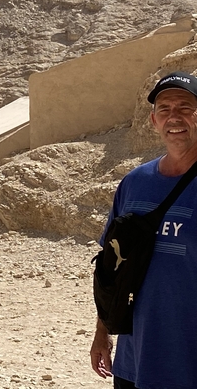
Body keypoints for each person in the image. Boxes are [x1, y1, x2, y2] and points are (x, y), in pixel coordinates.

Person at [90, 71, 197, 388]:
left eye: (185, 107)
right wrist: (102, 331)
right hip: (133, 364)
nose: (173, 116)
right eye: (164, 108)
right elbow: (112, 267)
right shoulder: (134, 183)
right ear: (153, 120)